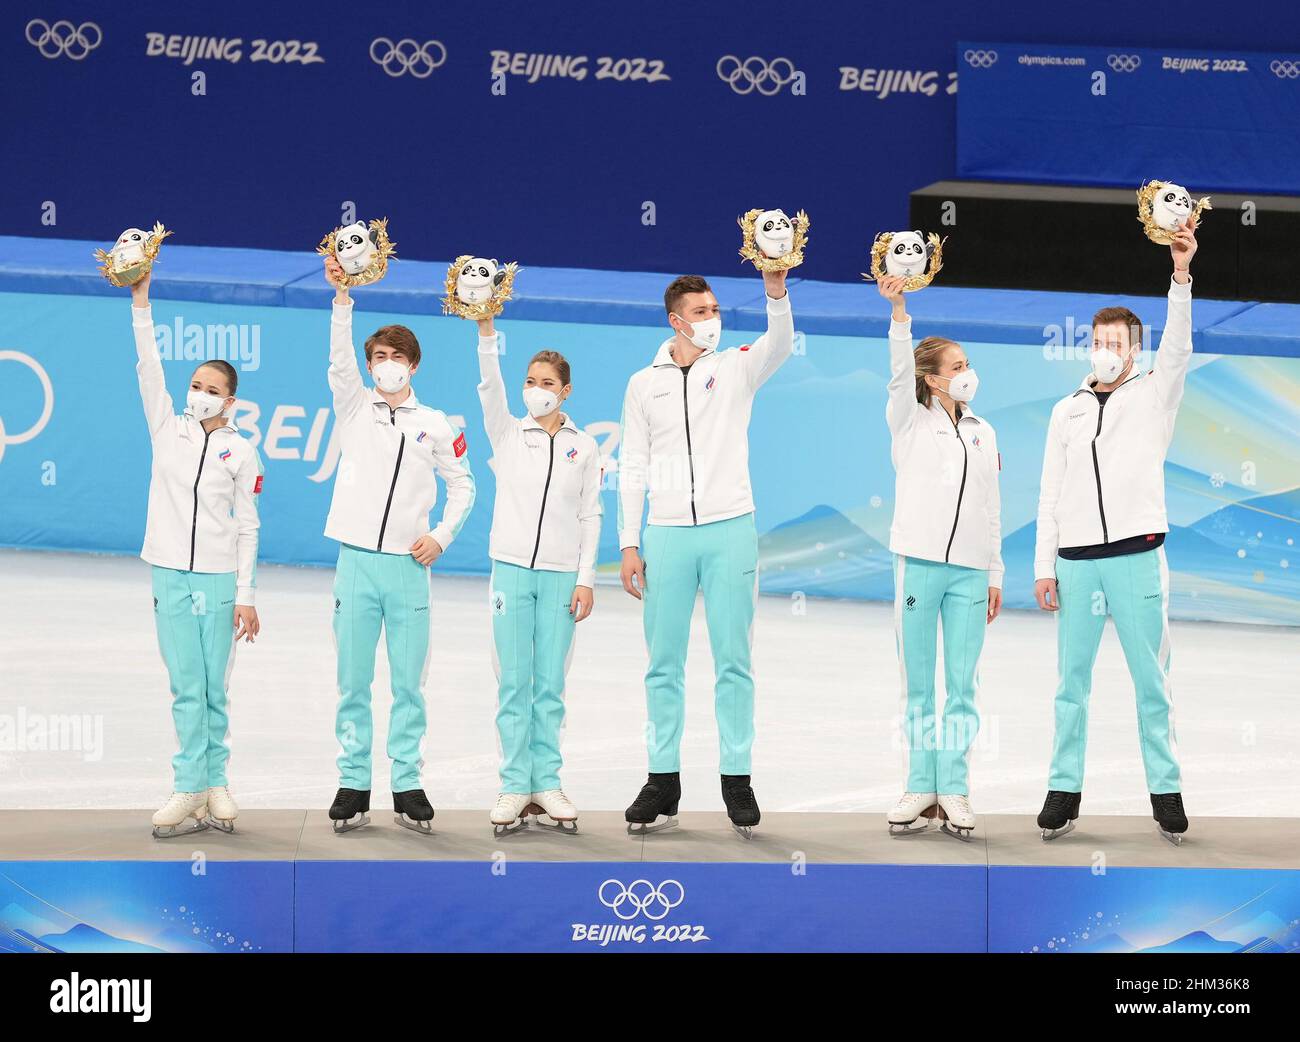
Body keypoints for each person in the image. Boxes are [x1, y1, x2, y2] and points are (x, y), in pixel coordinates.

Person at [1033, 218, 1198, 844]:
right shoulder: (1066, 410)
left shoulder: (1157, 393)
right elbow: (1050, 490)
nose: (1104, 349)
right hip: (1076, 563)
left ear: (1134, 349)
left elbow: (1179, 345)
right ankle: (1062, 792)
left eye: (1116, 342)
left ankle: (1167, 793)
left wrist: (1180, 273)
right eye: (1097, 340)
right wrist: (1044, 566)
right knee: (1070, 685)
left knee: (1150, 681)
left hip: (1137, 557)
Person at [617, 264, 792, 836]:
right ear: (676, 321)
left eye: (716, 310)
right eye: (701, 312)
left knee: (734, 664)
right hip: (666, 534)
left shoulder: (736, 367)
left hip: (730, 530)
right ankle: (662, 778)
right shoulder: (645, 384)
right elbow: (634, 467)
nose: (713, 319)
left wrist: (775, 289)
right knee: (661, 666)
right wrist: (628, 541)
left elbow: (781, 341)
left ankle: (736, 779)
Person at [322, 255, 476, 835]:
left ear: (413, 365)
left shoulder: (436, 423)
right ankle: (353, 783)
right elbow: (338, 361)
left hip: (409, 568)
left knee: (409, 683)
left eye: (395, 359)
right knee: (353, 681)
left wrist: (440, 535)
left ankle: (406, 782)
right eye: (377, 359)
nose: (386, 366)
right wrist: (342, 298)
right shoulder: (353, 405)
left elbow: (463, 486)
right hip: (355, 562)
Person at [128, 270, 263, 839]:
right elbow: (148, 367)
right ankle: (189, 788)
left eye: (212, 388)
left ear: (230, 400)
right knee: (186, 683)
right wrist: (140, 301)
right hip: (168, 572)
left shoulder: (242, 450)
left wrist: (247, 596)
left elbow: (249, 528)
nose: (199, 393)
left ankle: (217, 782)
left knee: (215, 686)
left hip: (218, 580)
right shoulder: (166, 426)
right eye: (196, 384)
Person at [877, 275, 1004, 841]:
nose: (965, 373)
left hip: (971, 571)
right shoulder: (908, 419)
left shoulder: (984, 431)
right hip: (919, 564)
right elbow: (899, 371)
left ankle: (953, 786)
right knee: (919, 685)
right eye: (955, 366)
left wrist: (994, 571)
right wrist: (900, 311)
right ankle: (918, 784)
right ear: (931, 379)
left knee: (963, 683)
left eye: (966, 363)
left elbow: (991, 505)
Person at [473, 315, 602, 836]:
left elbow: (591, 514)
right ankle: (512, 783)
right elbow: (489, 387)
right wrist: (486, 330)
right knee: (512, 681)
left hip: (560, 577)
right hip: (510, 572)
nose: (536, 390)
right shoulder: (507, 432)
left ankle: (546, 781)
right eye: (530, 381)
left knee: (549, 684)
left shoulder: (584, 446)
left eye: (547, 383)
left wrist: (586, 577)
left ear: (565, 391)